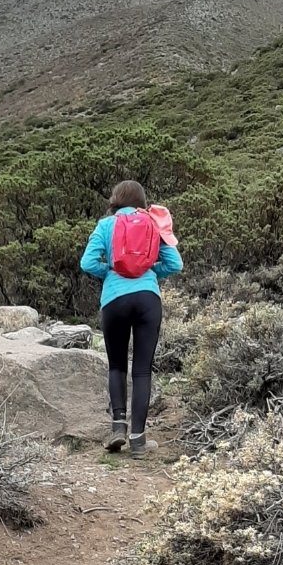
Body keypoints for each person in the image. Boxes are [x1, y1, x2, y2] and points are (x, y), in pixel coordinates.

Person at [80, 180, 183, 454]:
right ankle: (138, 441)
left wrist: (113, 272)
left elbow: (87, 263)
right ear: (141, 200)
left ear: (116, 199)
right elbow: (175, 264)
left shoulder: (105, 225)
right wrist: (148, 272)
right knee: (142, 370)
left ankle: (117, 428)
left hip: (114, 299)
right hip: (148, 299)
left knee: (116, 366)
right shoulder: (152, 223)